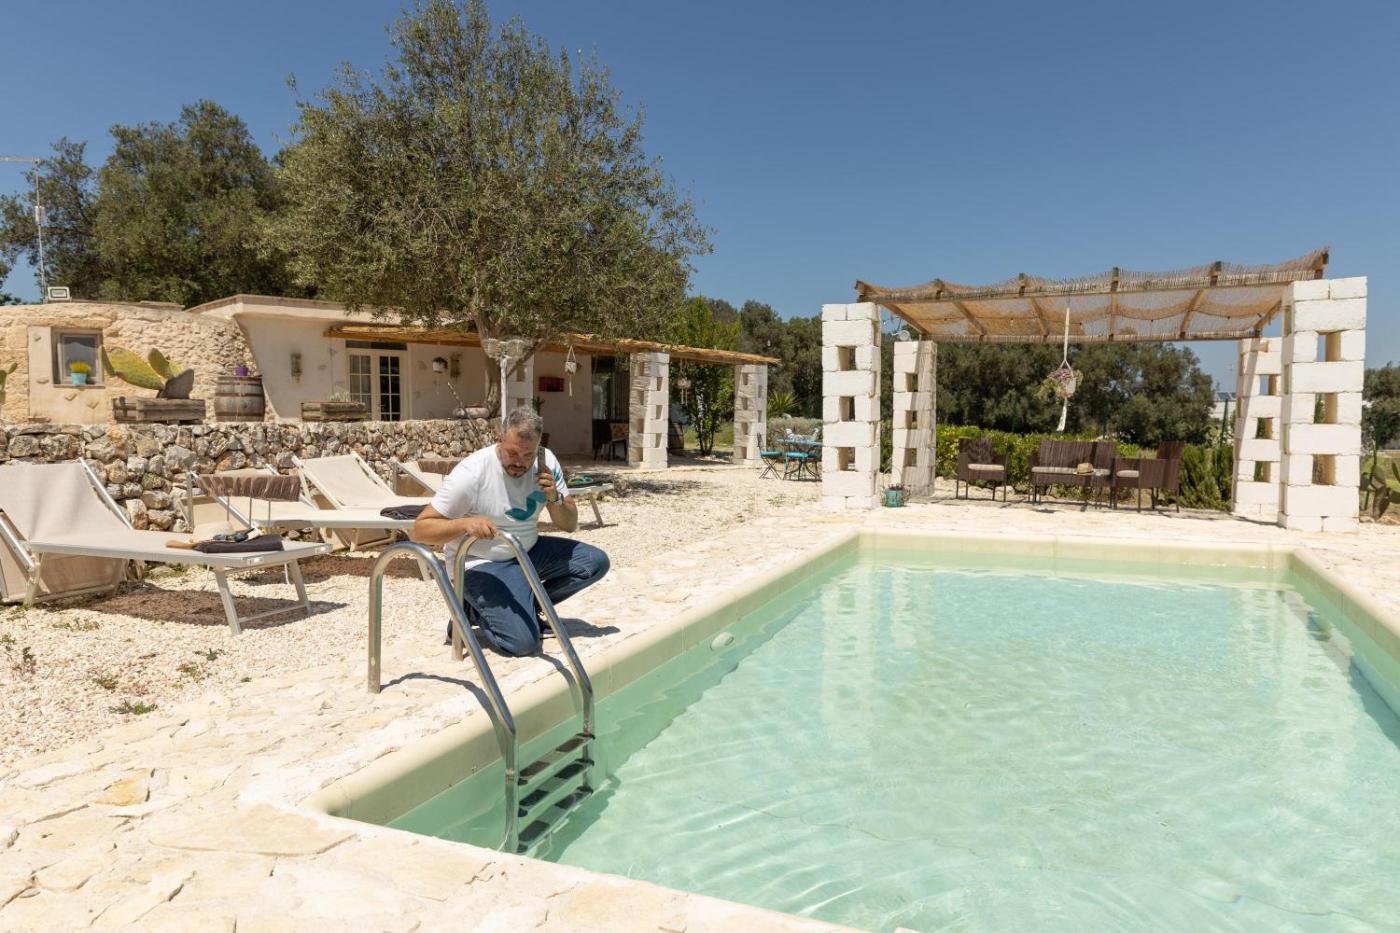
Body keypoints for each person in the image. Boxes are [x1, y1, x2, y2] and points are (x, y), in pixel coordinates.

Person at [411, 408, 610, 656]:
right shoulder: (472, 472)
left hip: (526, 552)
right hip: (480, 562)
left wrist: (555, 498)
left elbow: (569, 524)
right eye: (512, 453)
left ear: (538, 447)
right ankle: (470, 610)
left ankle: (517, 608)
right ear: (499, 440)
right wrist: (464, 524)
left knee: (594, 562)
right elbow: (420, 529)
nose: (519, 462)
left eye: (527, 455)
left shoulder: (545, 463)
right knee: (523, 644)